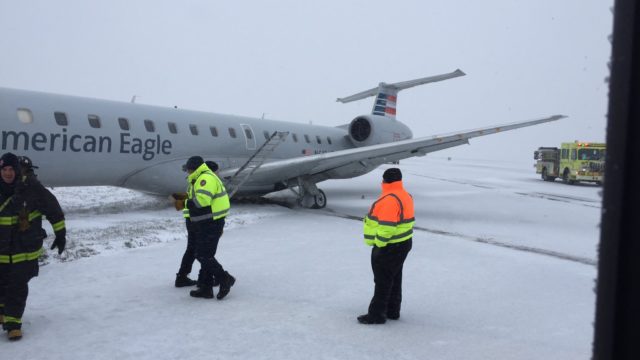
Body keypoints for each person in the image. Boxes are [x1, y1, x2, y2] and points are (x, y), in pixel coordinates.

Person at [0, 152, 66, 340]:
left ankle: (13, 323)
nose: (8, 173)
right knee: (1, 283)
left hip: (23, 251)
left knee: (17, 286)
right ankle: (3, 312)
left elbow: (53, 209)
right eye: (4, 169)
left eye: (11, 169)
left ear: (18, 171)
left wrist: (60, 233)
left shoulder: (32, 189)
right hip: (1, 250)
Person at [358, 168, 414, 324]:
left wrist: (379, 244)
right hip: (403, 243)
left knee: (382, 280)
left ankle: (376, 315)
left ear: (385, 181)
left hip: (389, 245)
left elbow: (387, 227)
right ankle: (392, 310)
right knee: (394, 278)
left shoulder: (389, 199)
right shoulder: (405, 195)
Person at [183, 156, 235, 300]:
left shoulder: (205, 178)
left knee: (202, 255)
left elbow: (203, 201)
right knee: (205, 255)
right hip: (207, 221)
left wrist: (184, 202)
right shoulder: (202, 177)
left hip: (211, 223)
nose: (186, 172)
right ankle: (206, 288)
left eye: (187, 169)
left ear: (191, 168)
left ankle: (225, 278)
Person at [171, 160, 220, 288]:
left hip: (192, 218)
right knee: (203, 252)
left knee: (193, 249)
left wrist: (184, 197)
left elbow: (194, 196)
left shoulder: (196, 180)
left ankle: (183, 276)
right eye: (216, 171)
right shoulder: (206, 180)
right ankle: (211, 278)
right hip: (199, 219)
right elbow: (203, 200)